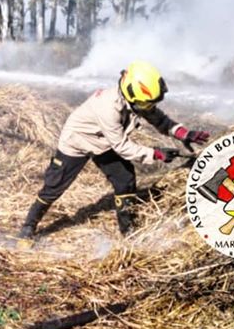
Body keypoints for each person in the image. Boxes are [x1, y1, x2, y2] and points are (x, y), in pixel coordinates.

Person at [18, 60, 210, 241]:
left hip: (104, 142)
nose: (148, 109)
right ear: (131, 94)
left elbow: (160, 120)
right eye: (145, 104)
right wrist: (156, 154)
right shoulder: (108, 108)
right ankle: (29, 226)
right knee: (54, 186)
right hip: (77, 142)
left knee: (125, 179)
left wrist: (184, 133)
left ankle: (128, 232)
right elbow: (122, 147)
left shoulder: (136, 100)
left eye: (150, 104)